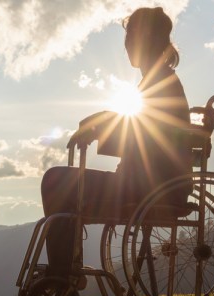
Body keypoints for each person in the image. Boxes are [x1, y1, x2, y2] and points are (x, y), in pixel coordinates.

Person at [41, 7, 192, 279]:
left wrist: (101, 124)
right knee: (58, 180)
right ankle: (63, 271)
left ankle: (62, 273)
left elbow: (146, 134)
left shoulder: (160, 83)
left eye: (131, 37)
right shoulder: (159, 80)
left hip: (148, 189)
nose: (127, 45)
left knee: (55, 181)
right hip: (148, 184)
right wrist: (103, 122)